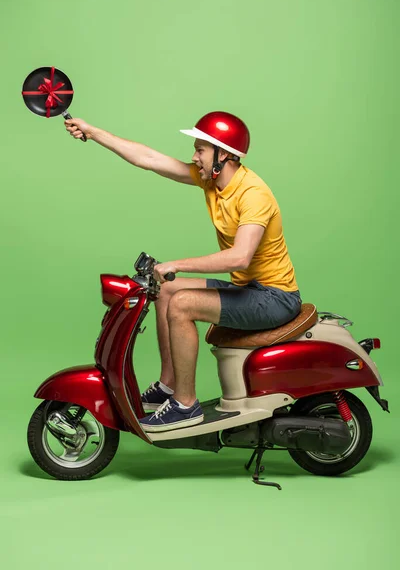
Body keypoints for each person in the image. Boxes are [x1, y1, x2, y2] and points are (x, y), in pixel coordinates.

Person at [65, 111, 301, 432]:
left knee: (182, 304)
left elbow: (240, 257)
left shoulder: (252, 194)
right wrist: (93, 132)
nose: (194, 156)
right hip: (248, 289)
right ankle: (168, 385)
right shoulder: (212, 181)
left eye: (201, 149)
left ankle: (186, 404)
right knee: (165, 290)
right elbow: (148, 157)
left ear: (224, 155)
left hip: (274, 298)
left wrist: (177, 264)